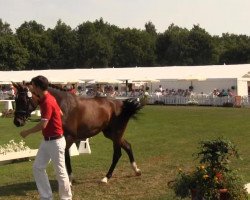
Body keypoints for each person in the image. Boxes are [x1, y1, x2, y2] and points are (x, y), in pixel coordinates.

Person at [20, 75, 72, 200]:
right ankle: (46, 197)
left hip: (55, 142)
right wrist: (52, 118)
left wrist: (27, 132)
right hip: (48, 140)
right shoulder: (48, 99)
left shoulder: (47, 101)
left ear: (37, 87)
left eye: (32, 85)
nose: (31, 88)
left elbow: (43, 124)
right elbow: (60, 113)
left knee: (60, 173)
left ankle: (66, 198)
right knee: (38, 167)